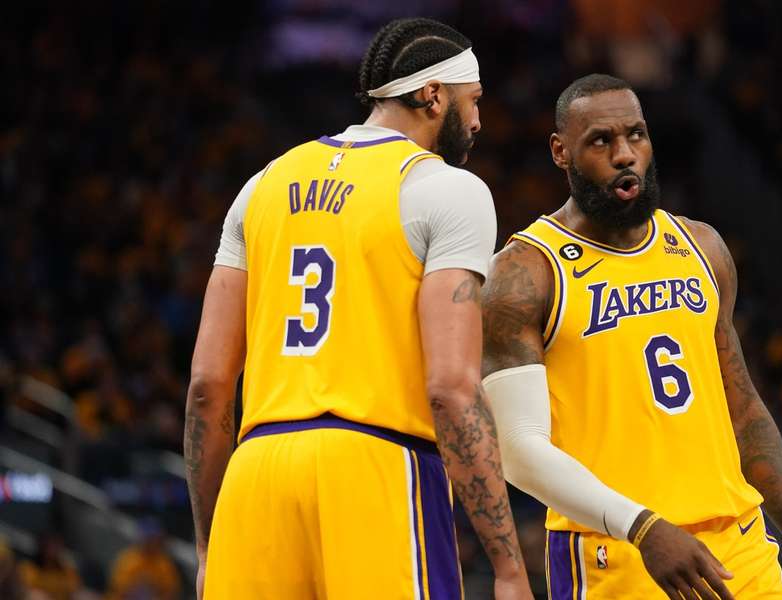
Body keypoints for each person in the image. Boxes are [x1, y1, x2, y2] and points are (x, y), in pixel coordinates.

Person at [480, 74, 782, 600]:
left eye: (636, 135)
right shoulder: (526, 273)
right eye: (601, 140)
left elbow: (744, 412)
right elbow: (518, 453)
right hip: (617, 550)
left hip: (740, 547)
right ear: (560, 150)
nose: (625, 154)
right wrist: (643, 528)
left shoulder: (702, 246)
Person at [184, 17, 532, 599]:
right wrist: (508, 568)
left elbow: (207, 384)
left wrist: (206, 546)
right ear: (432, 95)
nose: (478, 121)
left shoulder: (262, 184)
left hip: (256, 476)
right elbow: (452, 387)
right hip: (377, 468)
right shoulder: (448, 189)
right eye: (472, 102)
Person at [107, 518, 180, 600]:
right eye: (149, 538)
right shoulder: (128, 559)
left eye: (155, 539)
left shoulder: (164, 563)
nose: (152, 542)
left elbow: (171, 592)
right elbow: (119, 589)